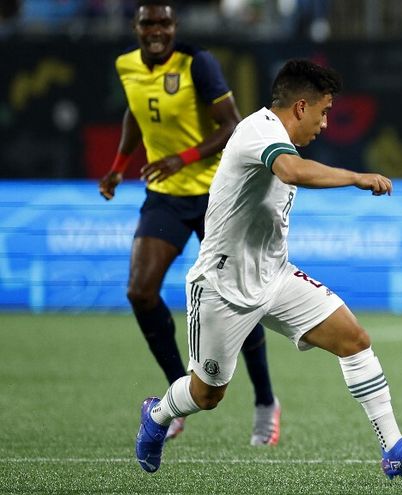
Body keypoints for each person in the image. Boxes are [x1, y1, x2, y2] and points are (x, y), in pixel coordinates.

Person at [133, 58, 402, 477]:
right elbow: (292, 171)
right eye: (324, 112)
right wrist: (356, 177)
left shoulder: (282, 141)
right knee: (207, 395)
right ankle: (157, 414)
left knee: (354, 339)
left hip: (276, 276)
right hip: (222, 286)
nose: (325, 124)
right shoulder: (258, 131)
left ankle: (393, 447)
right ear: (301, 107)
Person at [98, 0, 281, 446]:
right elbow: (136, 113)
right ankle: (176, 395)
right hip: (166, 197)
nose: (156, 30)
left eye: (164, 22)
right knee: (140, 292)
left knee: (240, 300)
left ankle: (265, 402)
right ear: (136, 26)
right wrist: (119, 167)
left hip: (217, 196)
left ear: (175, 25)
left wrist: (182, 157)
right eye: (148, 23)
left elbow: (232, 125)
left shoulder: (198, 64)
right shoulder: (125, 65)